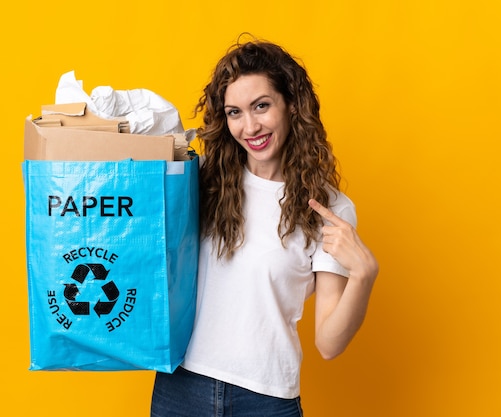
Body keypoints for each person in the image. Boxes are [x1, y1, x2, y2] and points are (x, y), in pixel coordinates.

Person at [150, 37, 379, 417]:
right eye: (234, 112)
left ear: (291, 105)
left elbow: (329, 343)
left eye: (261, 106)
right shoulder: (202, 180)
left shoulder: (330, 209)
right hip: (180, 389)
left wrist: (364, 275)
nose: (249, 126)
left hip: (265, 399)